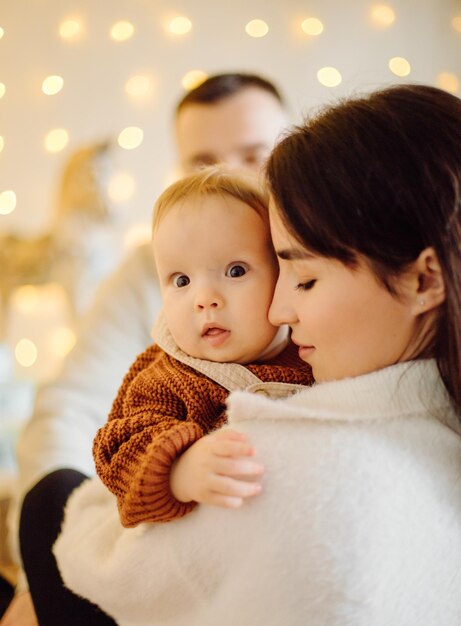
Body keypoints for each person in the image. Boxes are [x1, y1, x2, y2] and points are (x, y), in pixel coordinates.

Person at [54, 84, 461, 625]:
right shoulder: (168, 357)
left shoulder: (315, 451)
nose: (279, 309)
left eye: (304, 277)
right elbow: (94, 420)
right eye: (177, 281)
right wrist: (172, 469)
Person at [2, 73, 288, 626]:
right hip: (166, 519)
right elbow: (75, 406)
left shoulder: (321, 257)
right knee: (49, 504)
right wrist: (40, 575)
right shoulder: (148, 273)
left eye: (254, 155)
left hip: (270, 534)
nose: (228, 176)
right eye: (203, 163)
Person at [93, 167, 312, 528]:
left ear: (281, 272)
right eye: (181, 280)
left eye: (236, 271)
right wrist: (179, 471)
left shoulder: (311, 346)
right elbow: (119, 450)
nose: (205, 299)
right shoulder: (166, 377)